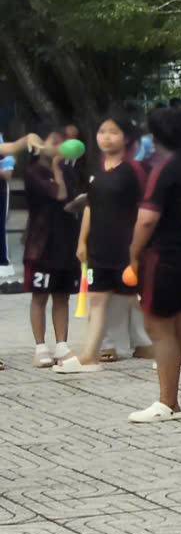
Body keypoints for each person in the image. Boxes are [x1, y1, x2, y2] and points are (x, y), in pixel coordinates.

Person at [125, 107, 181, 422]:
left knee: (160, 328)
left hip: (165, 256)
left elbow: (147, 219)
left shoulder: (166, 168)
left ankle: (168, 402)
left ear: (157, 136)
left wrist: (133, 253)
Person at [54, 117, 147, 374]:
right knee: (96, 300)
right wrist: (82, 241)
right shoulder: (95, 170)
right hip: (99, 250)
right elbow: (90, 207)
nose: (106, 137)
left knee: (139, 301)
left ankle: (171, 350)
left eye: (113, 132)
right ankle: (90, 356)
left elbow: (146, 210)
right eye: (102, 131)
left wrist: (139, 248)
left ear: (126, 138)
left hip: (127, 249)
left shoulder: (134, 171)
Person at [6, 126, 79, 367]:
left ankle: (62, 344)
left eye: (62, 143)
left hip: (65, 242)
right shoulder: (33, 172)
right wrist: (57, 168)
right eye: (54, 142)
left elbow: (71, 199)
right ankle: (40, 347)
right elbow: (59, 195)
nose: (59, 147)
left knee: (62, 296)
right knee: (40, 296)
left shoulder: (69, 170)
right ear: (40, 145)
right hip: (42, 245)